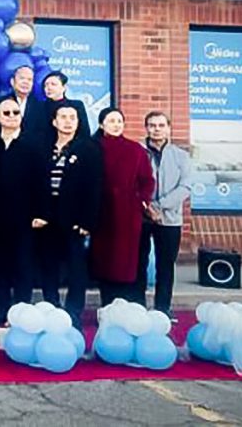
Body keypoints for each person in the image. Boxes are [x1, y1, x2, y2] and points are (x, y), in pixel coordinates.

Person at [33, 103, 102, 328]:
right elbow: (35, 183)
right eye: (63, 117)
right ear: (54, 121)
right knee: (48, 265)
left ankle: (73, 313)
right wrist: (38, 213)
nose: (68, 121)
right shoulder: (43, 147)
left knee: (76, 268)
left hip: (74, 218)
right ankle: (51, 308)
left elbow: (94, 187)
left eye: (72, 117)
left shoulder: (88, 148)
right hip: (47, 217)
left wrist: (87, 220)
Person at [0, 96, 43, 325]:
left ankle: (20, 312)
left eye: (15, 113)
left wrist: (40, 213)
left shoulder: (33, 145)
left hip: (24, 217)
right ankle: (0, 309)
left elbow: (41, 182)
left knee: (23, 265)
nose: (11, 117)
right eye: (6, 113)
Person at [91, 107, 155, 307]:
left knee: (127, 261)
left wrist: (141, 200)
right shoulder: (92, 147)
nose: (116, 125)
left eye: (119, 121)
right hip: (102, 212)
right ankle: (107, 306)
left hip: (128, 214)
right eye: (111, 121)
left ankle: (130, 306)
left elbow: (147, 180)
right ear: (101, 124)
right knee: (105, 261)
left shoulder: (135, 149)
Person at [135, 111, 193, 318]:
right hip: (141, 217)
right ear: (146, 128)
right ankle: (138, 307)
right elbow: (130, 183)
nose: (156, 129)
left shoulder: (181, 156)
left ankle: (162, 309)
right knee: (138, 264)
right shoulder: (136, 152)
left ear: (168, 128)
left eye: (161, 125)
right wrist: (147, 207)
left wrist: (160, 206)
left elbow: (185, 186)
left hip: (170, 219)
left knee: (165, 266)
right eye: (152, 125)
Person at [41, 71, 90, 140]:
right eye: (46, 85)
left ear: (64, 87)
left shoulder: (76, 105)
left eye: (53, 84)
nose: (49, 88)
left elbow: (84, 132)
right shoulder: (39, 107)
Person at [10, 65, 48, 143]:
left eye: (29, 80)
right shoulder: (0, 103)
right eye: (22, 78)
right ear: (12, 82)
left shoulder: (41, 107)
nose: (25, 82)